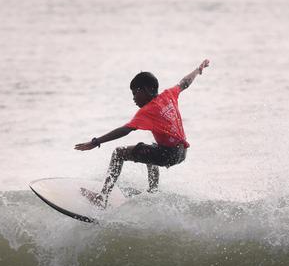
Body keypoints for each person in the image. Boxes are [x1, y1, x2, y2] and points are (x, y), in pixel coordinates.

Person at [75, 59, 210, 206]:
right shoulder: (169, 95)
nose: (133, 98)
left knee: (118, 153)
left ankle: (102, 198)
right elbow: (185, 82)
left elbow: (125, 130)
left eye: (135, 93)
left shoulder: (146, 111)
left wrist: (96, 142)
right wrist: (197, 70)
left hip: (168, 155)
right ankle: (153, 192)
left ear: (145, 90)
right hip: (182, 152)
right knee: (150, 148)